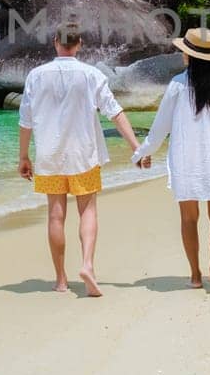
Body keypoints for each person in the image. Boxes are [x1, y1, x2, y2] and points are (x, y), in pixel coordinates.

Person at [18, 22, 143, 297]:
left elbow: (25, 121)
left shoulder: (36, 76)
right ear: (79, 44)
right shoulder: (91, 75)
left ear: (55, 42)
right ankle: (87, 265)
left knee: (55, 215)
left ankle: (61, 280)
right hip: (83, 155)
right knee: (87, 211)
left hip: (49, 156)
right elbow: (115, 112)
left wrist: (24, 156)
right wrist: (136, 147)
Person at [131, 28, 210, 292]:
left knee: (188, 219)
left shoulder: (178, 84)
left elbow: (161, 126)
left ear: (190, 55)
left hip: (187, 160)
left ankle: (195, 276)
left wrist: (143, 152)